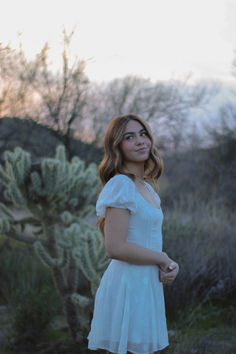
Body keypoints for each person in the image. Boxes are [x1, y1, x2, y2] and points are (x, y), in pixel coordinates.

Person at [87, 113, 179, 354]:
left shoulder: (147, 187)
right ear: (117, 146)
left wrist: (167, 264)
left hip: (147, 284)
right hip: (128, 286)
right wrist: (163, 258)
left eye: (143, 134)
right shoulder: (121, 184)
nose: (140, 141)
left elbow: (146, 239)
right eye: (129, 137)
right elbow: (114, 247)